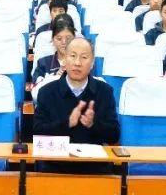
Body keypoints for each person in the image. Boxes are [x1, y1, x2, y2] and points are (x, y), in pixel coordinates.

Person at [32, 37, 120, 174]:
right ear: (64, 60)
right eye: (72, 56)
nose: (77, 63)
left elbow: (114, 135)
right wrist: (67, 123)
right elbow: (37, 132)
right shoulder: (46, 92)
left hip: (95, 169)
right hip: (55, 168)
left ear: (92, 63)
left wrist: (93, 124)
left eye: (84, 57)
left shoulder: (104, 92)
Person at [33, 16, 74, 85]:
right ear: (53, 40)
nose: (64, 42)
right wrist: (54, 77)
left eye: (68, 38)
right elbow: (36, 87)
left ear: (74, 39)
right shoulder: (43, 63)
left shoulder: (81, 62)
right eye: (59, 38)